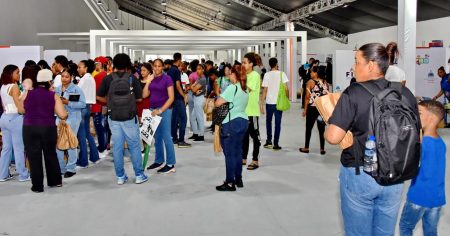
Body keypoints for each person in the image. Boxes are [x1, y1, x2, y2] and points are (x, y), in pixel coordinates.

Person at [324, 43, 419, 236]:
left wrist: (329, 123)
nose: (353, 67)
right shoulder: (404, 93)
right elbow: (418, 137)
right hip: (395, 175)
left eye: (357, 62)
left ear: (371, 65)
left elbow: (333, 137)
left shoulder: (354, 92)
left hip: (360, 173)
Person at [97, 53, 148, 185]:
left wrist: (110, 102)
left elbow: (99, 97)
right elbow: (140, 98)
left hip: (113, 117)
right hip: (130, 117)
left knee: (118, 147)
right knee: (134, 146)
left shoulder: (108, 79)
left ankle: (120, 176)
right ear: (127, 65)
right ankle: (139, 175)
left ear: (114, 64)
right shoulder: (132, 78)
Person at [399, 100, 446, 236]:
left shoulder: (421, 145)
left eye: (419, 113)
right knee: (431, 231)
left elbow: (407, 167)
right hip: (437, 199)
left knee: (405, 226)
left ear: (431, 118)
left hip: (418, 197)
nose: (415, 115)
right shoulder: (440, 143)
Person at [22, 69, 68, 192]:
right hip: (47, 128)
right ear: (49, 81)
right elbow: (62, 115)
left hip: (29, 128)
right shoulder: (53, 95)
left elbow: (21, 109)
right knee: (50, 154)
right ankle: (55, 181)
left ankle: (37, 186)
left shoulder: (27, 93)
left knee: (33, 156)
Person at [215, 67, 249, 191]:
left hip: (231, 123)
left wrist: (218, 99)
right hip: (243, 121)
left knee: (229, 154)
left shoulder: (232, 88)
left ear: (234, 75)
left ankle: (230, 182)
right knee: (238, 152)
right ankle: (238, 178)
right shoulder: (245, 89)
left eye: (230, 73)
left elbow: (218, 103)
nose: (228, 75)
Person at [143, 59, 176, 174]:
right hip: (153, 110)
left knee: (166, 136)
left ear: (162, 67)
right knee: (157, 137)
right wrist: (148, 82)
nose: (157, 68)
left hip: (164, 110)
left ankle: (171, 164)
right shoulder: (151, 78)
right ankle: (159, 160)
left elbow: (171, 97)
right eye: (155, 66)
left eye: (159, 66)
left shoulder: (167, 79)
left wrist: (161, 110)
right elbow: (144, 95)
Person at [54, 68, 86, 178]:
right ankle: (61, 167)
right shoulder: (57, 89)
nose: (64, 79)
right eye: (62, 76)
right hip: (59, 118)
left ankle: (71, 168)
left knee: (71, 143)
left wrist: (68, 102)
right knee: (59, 143)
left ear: (71, 77)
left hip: (73, 118)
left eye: (67, 77)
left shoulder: (76, 89)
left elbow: (83, 104)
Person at [0, 65, 29, 182]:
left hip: (4, 118)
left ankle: (3, 174)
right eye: (17, 72)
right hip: (15, 118)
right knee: (18, 148)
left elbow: (4, 105)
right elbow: (20, 108)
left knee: (6, 148)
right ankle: (23, 174)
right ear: (10, 73)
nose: (19, 74)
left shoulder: (3, 87)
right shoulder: (14, 87)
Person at [76, 59, 101, 168]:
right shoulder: (91, 78)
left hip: (81, 107)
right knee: (87, 133)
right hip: (88, 107)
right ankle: (94, 156)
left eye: (80, 67)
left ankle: (83, 160)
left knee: (81, 135)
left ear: (85, 68)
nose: (78, 69)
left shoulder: (84, 79)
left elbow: (76, 93)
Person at [299, 66, 329, 155]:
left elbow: (307, 97)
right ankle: (322, 149)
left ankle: (306, 147)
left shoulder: (310, 82)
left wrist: (305, 110)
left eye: (312, 72)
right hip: (321, 109)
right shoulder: (325, 83)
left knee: (309, 128)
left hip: (312, 108)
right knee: (321, 129)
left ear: (316, 73)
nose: (310, 73)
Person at [261, 57, 289, 150]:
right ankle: (276, 144)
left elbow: (265, 90)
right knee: (278, 123)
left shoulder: (267, 75)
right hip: (279, 102)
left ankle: (269, 141)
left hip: (269, 102)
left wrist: (261, 103)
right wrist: (287, 98)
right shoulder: (282, 74)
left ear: (269, 65)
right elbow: (286, 88)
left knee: (268, 122)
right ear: (277, 64)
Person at [169, 53, 190, 148]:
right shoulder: (176, 71)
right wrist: (184, 95)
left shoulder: (169, 70)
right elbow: (178, 85)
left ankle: (174, 138)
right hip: (178, 98)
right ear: (179, 60)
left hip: (172, 98)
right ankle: (181, 140)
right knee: (183, 119)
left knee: (174, 119)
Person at [92, 57, 109, 154]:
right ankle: (105, 144)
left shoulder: (98, 77)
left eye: (97, 64)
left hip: (98, 104)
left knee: (99, 126)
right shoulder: (106, 75)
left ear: (101, 64)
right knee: (105, 126)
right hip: (105, 104)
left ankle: (102, 146)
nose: (95, 66)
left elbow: (95, 92)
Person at [189, 64, 208, 142]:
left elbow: (192, 89)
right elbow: (191, 87)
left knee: (199, 117)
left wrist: (194, 89)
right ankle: (195, 133)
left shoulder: (202, 79)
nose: (198, 70)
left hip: (199, 99)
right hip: (196, 98)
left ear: (203, 69)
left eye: (200, 69)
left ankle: (201, 135)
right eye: (197, 69)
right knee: (193, 117)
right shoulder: (199, 78)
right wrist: (194, 89)